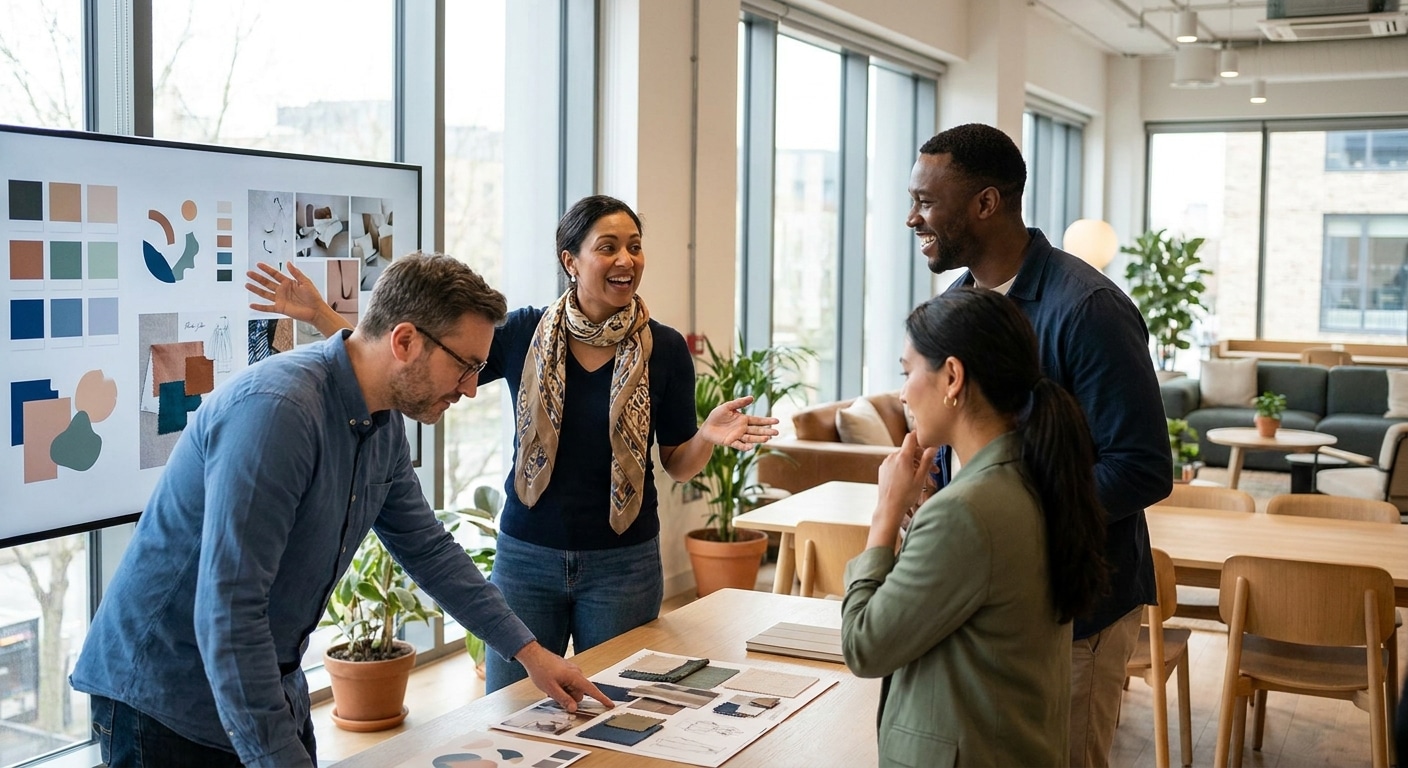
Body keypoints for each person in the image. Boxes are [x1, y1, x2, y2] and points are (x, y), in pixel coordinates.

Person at [70, 253, 610, 768]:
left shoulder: (382, 422)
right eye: (467, 366)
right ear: (404, 341)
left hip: (262, 682)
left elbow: (430, 551)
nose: (470, 389)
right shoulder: (279, 413)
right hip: (165, 697)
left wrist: (531, 654)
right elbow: (231, 615)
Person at [246, 194, 779, 694]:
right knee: (511, 706)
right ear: (570, 260)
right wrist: (321, 316)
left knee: (622, 703)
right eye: (608, 246)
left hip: (624, 563)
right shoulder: (525, 331)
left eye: (635, 246)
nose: (626, 259)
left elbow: (678, 464)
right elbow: (404, 359)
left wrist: (706, 436)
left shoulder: (664, 348)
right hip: (528, 556)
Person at [907, 123, 1171, 767]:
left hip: (1075, 609)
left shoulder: (1089, 310)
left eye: (926, 201)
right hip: (988, 599)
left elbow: (1142, 468)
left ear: (986, 204)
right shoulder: (960, 301)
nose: (913, 218)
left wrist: (1013, 518)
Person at [842, 288, 1111, 767]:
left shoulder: (966, 510)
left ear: (952, 376)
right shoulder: (1037, 477)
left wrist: (886, 513)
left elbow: (864, 645)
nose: (902, 393)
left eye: (907, 373)